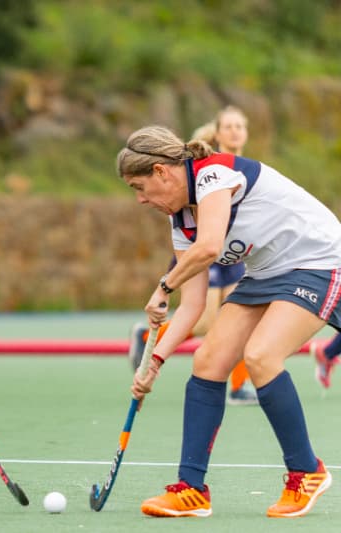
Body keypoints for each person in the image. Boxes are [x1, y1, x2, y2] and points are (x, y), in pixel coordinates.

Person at [118, 125, 340, 518]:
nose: (140, 200)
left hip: (319, 261)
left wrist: (163, 285)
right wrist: (154, 363)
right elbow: (193, 306)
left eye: (139, 187)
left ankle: (307, 472)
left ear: (161, 172)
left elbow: (210, 247)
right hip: (267, 273)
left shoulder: (213, 174)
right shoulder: (180, 221)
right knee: (208, 361)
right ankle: (191, 489)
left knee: (260, 356)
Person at [128, 106, 257, 405]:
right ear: (218, 132)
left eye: (241, 126)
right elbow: (201, 236)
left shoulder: (244, 166)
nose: (236, 131)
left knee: (238, 316)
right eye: (229, 126)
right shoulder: (206, 168)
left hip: (231, 253)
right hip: (202, 250)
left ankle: (238, 386)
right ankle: (147, 339)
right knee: (204, 320)